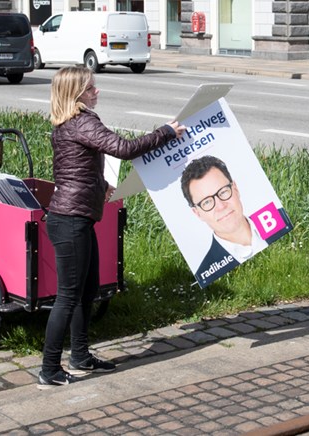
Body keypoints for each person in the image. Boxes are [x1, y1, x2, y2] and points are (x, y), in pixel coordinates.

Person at [40, 66, 186, 389]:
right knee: (67, 297)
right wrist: (164, 132)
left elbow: (71, 169)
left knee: (87, 292)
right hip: (71, 221)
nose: (97, 92)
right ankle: (49, 369)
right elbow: (124, 149)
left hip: (75, 217)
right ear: (77, 94)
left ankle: (79, 356)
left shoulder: (65, 125)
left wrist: (101, 183)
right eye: (91, 88)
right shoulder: (83, 121)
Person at [181, 155, 289, 288]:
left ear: (235, 189)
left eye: (223, 192)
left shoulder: (281, 219)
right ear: (197, 213)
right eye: (207, 202)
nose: (221, 206)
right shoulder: (207, 273)